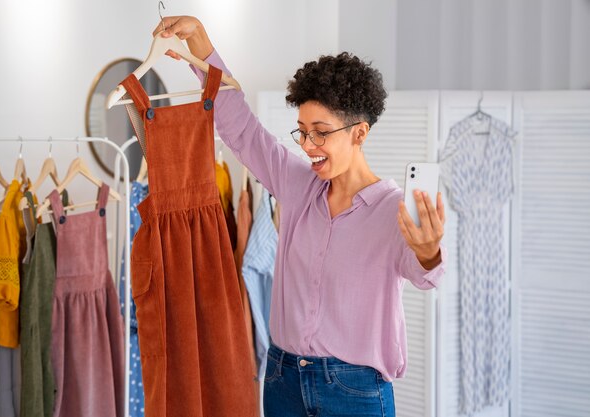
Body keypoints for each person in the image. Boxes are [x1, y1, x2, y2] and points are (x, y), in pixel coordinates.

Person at [153, 15, 446, 417]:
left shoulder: (392, 210)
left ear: (359, 133)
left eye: (321, 132)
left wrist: (429, 251)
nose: (308, 145)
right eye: (302, 131)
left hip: (354, 390)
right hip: (282, 378)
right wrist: (201, 44)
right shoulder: (297, 185)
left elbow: (425, 274)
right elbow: (242, 129)